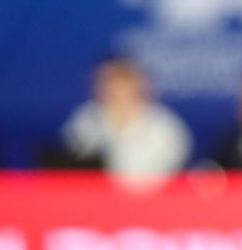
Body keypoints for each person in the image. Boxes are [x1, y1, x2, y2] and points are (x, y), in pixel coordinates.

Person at [60, 57, 191, 182]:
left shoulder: (165, 125)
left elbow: (173, 171)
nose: (118, 89)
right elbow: (69, 163)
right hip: (94, 199)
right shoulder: (84, 119)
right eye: (110, 82)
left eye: (124, 82)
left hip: (155, 200)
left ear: (139, 85)